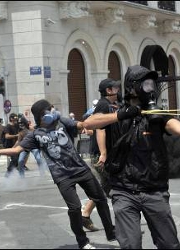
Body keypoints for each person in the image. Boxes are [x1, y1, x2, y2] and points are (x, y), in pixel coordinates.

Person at [83, 65, 180, 249]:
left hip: (155, 190)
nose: (151, 88)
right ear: (132, 87)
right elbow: (89, 123)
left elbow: (179, 127)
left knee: (170, 245)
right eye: (146, 84)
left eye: (152, 83)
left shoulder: (157, 115)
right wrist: (122, 115)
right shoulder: (116, 111)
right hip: (124, 191)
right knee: (131, 245)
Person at [0, 99, 116, 249]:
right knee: (74, 208)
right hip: (62, 176)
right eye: (50, 109)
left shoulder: (62, 122)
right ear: (41, 115)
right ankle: (83, 241)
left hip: (80, 169)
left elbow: (82, 126)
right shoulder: (35, 134)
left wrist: (81, 123)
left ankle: (111, 232)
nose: (54, 111)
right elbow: (16, 150)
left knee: (100, 198)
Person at [81, 78, 122, 232]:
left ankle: (85, 215)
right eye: (115, 87)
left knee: (104, 188)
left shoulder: (113, 104)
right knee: (118, 186)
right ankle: (123, 223)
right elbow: (100, 128)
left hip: (108, 153)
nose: (118, 89)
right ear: (108, 90)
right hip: (100, 154)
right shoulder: (104, 104)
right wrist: (103, 153)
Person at [4, 113, 19, 177]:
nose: (16, 119)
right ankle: (8, 174)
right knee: (15, 159)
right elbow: (7, 136)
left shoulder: (16, 126)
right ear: (11, 119)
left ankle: (11, 173)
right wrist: (16, 135)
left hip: (16, 146)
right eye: (15, 118)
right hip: (10, 146)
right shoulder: (8, 126)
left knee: (17, 160)